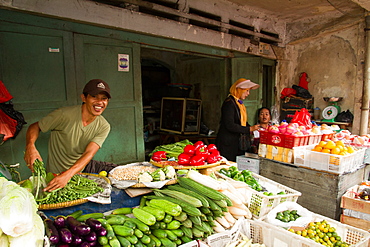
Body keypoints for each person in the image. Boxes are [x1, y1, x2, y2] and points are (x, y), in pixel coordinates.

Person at [24, 79, 118, 191]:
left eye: (104, 99)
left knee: (117, 170)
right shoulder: (64, 115)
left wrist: (69, 174)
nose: (99, 102)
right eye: (94, 97)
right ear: (84, 98)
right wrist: (30, 146)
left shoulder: (104, 125)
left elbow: (89, 152)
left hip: (82, 168)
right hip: (57, 174)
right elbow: (35, 126)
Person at [216, 78, 261, 161]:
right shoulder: (229, 103)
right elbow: (230, 125)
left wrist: (254, 129)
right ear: (240, 90)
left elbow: (242, 122)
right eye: (247, 91)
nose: (248, 94)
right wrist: (249, 129)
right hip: (227, 144)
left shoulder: (239, 104)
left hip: (235, 143)